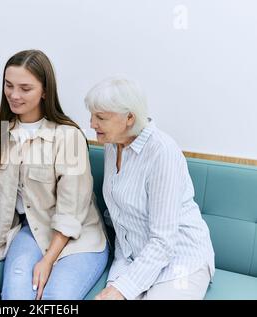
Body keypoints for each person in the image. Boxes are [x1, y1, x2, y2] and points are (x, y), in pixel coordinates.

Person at [0, 50, 108, 300]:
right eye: (9, 85)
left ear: (45, 91)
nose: (14, 95)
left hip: (77, 239)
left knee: (55, 298)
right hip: (30, 230)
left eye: (25, 88)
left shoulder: (68, 136)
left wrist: (48, 260)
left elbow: (71, 213)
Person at [85, 77, 215, 300]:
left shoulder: (161, 152)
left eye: (101, 117)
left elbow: (164, 241)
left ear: (129, 118)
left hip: (180, 259)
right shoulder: (112, 144)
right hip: (131, 258)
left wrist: (122, 289)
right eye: (92, 115)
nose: (91, 124)